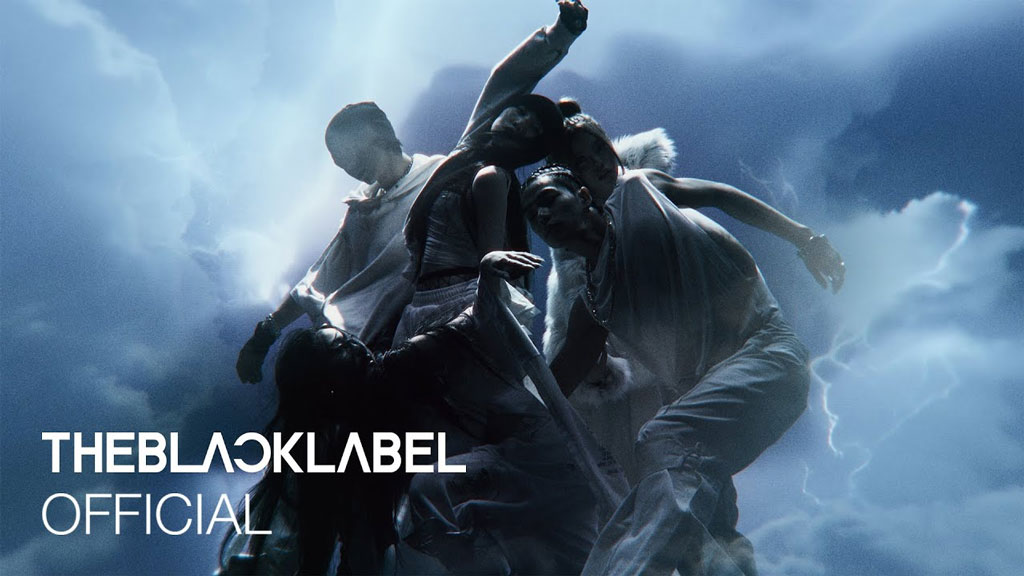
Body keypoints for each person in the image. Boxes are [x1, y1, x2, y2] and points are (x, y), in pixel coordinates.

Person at [235, 0, 590, 381]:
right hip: (357, 346)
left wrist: (559, 35)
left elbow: (501, 89)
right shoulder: (361, 209)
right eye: (339, 161)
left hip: (436, 341)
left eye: (348, 153)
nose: (347, 167)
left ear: (378, 135)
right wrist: (265, 334)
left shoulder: (447, 171)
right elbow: (318, 278)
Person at [219, 251, 604, 575]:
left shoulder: (403, 364)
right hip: (482, 513)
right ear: (327, 388)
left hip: (526, 480)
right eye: (341, 350)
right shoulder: (342, 452)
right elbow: (357, 542)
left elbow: (471, 326)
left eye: (348, 340)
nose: (358, 346)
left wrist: (488, 278)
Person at [521, 164, 817, 575]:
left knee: (663, 439)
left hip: (767, 355)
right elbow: (558, 383)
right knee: (704, 532)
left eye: (549, 199)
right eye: (533, 215)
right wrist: (492, 424)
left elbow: (718, 193)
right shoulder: (592, 304)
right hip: (711, 397)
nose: (542, 215)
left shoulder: (638, 199)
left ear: (585, 197)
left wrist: (804, 238)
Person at [390, 0, 590, 346]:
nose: (522, 122)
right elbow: (505, 80)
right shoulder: (465, 154)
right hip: (417, 307)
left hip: (465, 317)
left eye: (534, 129)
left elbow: (497, 273)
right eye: (521, 111)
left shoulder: (497, 181)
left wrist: (562, 35)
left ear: (530, 148)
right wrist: (559, 33)